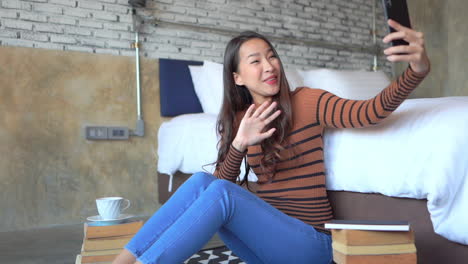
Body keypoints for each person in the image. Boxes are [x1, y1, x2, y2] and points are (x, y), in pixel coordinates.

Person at [113, 19, 430, 264]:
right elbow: (218, 183)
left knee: (221, 192)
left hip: (312, 246)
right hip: (269, 249)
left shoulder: (307, 101)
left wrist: (416, 71)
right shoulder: (241, 120)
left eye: (272, 56)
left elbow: (368, 113)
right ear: (238, 77)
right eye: (255, 61)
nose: (269, 66)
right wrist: (239, 143)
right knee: (200, 182)